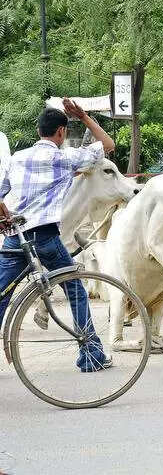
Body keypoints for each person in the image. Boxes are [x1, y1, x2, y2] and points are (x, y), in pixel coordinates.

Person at [0, 99, 116, 372]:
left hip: (16, 237)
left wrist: (4, 214)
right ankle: (91, 355)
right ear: (61, 133)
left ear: (38, 131)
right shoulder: (64, 158)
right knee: (75, 290)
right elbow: (108, 146)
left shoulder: (17, 159)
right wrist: (85, 118)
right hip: (46, 238)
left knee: (2, 295)